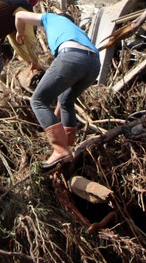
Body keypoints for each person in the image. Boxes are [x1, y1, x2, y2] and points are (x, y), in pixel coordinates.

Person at [14, 11, 100, 171]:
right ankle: (67, 147)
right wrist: (53, 120)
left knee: (38, 101)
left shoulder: (51, 18)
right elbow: (62, 95)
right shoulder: (76, 31)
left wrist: (20, 32)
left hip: (71, 56)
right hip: (93, 63)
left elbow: (19, 15)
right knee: (66, 100)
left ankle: (60, 150)